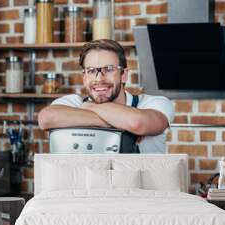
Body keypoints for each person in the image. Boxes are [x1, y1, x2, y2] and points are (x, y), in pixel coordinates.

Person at [38, 39, 174, 153]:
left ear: (124, 74)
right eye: (91, 71)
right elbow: (46, 118)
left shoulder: (153, 103)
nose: (99, 78)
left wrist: (89, 107)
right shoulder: (72, 102)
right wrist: (120, 123)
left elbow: (137, 123)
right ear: (84, 77)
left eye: (108, 69)